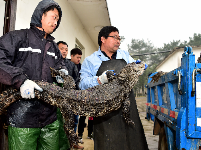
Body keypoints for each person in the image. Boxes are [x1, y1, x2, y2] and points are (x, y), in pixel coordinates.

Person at [0, 0, 71, 149]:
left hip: (49, 116)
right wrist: (21, 81)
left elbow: (60, 65)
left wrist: (62, 73)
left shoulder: (53, 47)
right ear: (41, 15)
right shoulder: (17, 38)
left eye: (58, 19)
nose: (56, 22)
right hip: (22, 117)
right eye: (53, 17)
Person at [79, 26, 149, 150]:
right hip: (105, 113)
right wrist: (100, 80)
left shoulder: (124, 55)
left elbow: (136, 70)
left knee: (133, 143)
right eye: (115, 37)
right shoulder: (90, 61)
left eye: (119, 38)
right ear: (103, 39)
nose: (118, 41)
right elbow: (82, 84)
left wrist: (140, 67)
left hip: (128, 109)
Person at [57, 42, 84, 150]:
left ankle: (72, 142)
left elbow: (77, 81)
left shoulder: (71, 65)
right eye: (62, 49)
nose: (64, 51)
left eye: (66, 49)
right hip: (57, 100)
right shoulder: (51, 62)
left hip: (71, 99)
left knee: (73, 121)